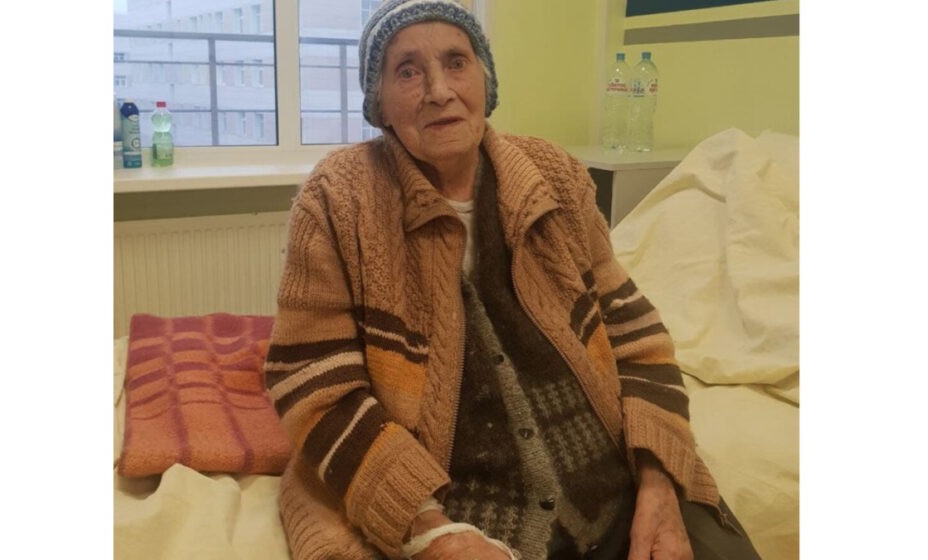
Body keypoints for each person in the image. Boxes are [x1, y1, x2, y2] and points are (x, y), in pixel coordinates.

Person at [265, 1, 762, 558]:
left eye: (457, 62)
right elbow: (312, 380)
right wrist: (430, 531)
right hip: (458, 510)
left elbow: (636, 339)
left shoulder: (554, 176)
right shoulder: (337, 199)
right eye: (407, 71)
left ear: (487, 81)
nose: (438, 90)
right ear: (378, 103)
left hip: (617, 483)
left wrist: (659, 485)